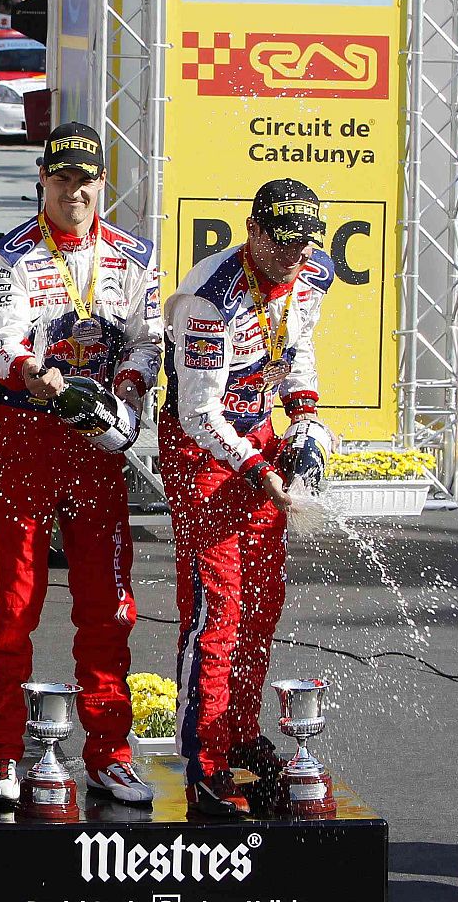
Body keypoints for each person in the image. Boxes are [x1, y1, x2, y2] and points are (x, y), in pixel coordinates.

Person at [0, 122, 160, 808]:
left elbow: (147, 342)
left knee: (108, 607)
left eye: (84, 180)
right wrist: (32, 371)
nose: (73, 192)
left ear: (101, 184)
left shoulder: (134, 256)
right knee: (15, 605)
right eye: (61, 179)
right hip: (25, 433)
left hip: (94, 443)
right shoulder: (9, 255)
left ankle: (109, 754)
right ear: (42, 181)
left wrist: (128, 390)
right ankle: (2, 753)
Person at [161, 178, 334, 817]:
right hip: (200, 451)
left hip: (257, 432)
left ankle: (239, 731)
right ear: (254, 232)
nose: (296, 254)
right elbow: (199, 414)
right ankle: (204, 763)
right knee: (220, 608)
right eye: (283, 241)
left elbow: (297, 350)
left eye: (305, 242)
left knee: (263, 602)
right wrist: (260, 468)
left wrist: (305, 422)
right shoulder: (210, 300)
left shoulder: (311, 272)